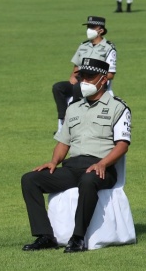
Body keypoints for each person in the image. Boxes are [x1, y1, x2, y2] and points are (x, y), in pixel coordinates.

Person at [21, 58, 131, 252]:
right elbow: (63, 142)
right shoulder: (73, 108)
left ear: (103, 79)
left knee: (88, 181)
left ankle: (78, 238)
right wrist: (54, 161)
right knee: (30, 179)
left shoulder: (118, 107)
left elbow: (122, 145)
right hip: (73, 167)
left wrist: (103, 164)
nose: (84, 82)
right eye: (82, 77)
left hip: (102, 168)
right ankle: (45, 236)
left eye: (90, 77)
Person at [51, 17, 116, 128]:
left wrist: (95, 77)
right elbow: (76, 67)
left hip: (97, 83)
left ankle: (75, 120)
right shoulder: (83, 46)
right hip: (81, 80)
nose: (88, 30)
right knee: (58, 87)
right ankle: (63, 120)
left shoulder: (108, 48)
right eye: (88, 27)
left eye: (92, 27)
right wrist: (72, 79)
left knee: (78, 88)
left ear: (100, 30)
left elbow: (111, 74)